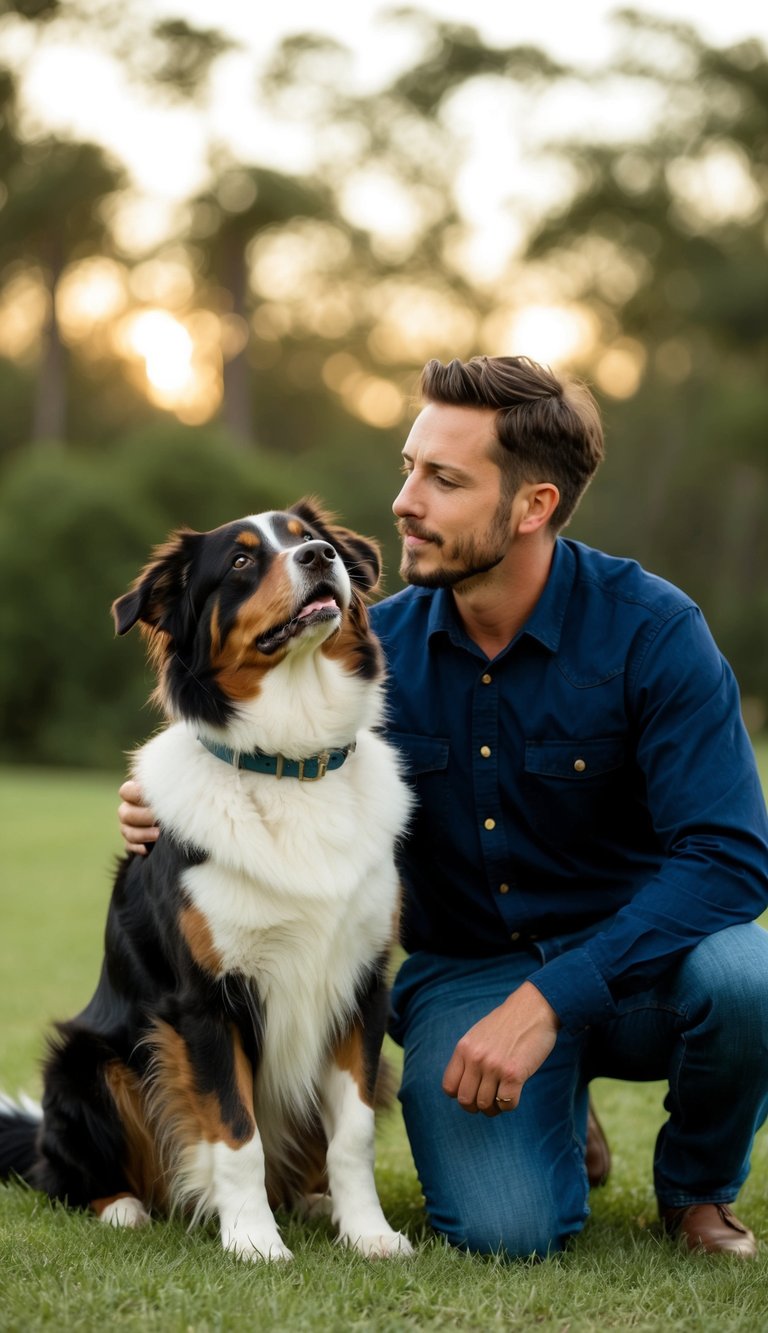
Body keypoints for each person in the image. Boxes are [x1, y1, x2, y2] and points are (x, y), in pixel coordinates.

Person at [119, 354, 768, 1260]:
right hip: (470, 973)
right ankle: (558, 1111)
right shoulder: (362, 655)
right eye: (408, 467)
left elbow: (732, 859)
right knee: (506, 1229)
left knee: (749, 979)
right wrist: (169, 803)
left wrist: (551, 999)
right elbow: (259, 741)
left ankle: (698, 1190)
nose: (405, 501)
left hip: (640, 964)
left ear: (533, 506)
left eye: (444, 479)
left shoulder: (654, 632)